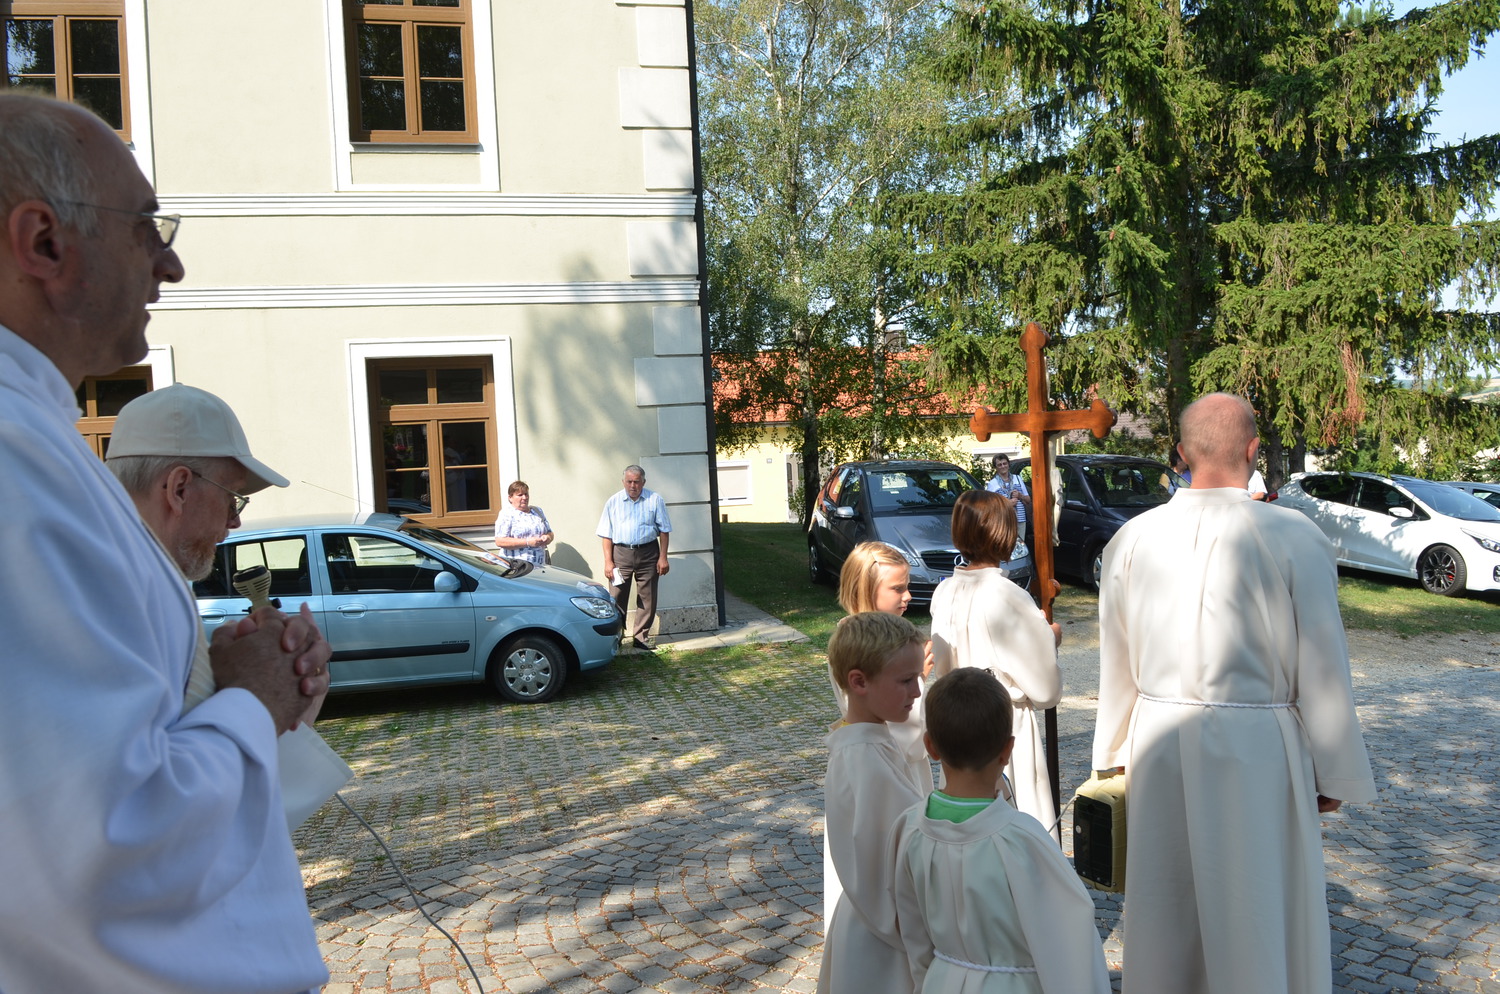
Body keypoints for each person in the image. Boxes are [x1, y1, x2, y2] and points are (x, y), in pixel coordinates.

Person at [0, 93, 330, 994]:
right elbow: (102, 843)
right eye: (147, 227)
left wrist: (258, 695)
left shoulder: (42, 443)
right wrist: (253, 700)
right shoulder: (17, 462)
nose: (171, 263)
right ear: (44, 243)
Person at [1093, 392, 1376, 994]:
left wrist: (1114, 750)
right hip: (1260, 751)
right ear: (1253, 451)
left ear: (1180, 453)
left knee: (1167, 904)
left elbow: (1115, 659)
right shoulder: (1294, 536)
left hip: (1159, 746)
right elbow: (1323, 662)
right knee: (1256, 903)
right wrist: (1332, 769)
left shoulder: (1133, 538)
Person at [893, 668, 1110, 994]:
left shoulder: (910, 827)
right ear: (1007, 751)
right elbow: (1071, 937)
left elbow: (910, 929)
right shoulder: (1022, 838)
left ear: (931, 747)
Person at [929, 489, 1063, 837]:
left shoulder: (944, 592)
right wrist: (1050, 640)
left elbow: (943, 667)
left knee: (963, 832)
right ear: (1005, 534)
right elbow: (1045, 690)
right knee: (1016, 830)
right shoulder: (1008, 596)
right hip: (1003, 727)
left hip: (957, 726)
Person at [818, 612, 928, 994]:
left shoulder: (870, 740)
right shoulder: (864, 760)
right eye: (906, 680)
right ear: (859, 682)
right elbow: (895, 860)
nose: (917, 692)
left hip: (868, 925)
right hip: (884, 941)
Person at [597, 464, 672, 650]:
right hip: (621, 554)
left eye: (637, 482)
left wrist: (663, 557)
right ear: (623, 481)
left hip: (648, 553)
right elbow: (606, 535)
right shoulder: (613, 502)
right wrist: (608, 562)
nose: (633, 485)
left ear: (643, 482)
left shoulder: (655, 500)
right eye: (629, 481)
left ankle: (641, 637)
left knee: (648, 596)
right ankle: (616, 636)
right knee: (616, 596)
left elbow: (664, 531)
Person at [494, 479, 554, 565]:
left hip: (540, 566)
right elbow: (500, 541)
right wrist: (527, 542)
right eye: (520, 495)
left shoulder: (537, 511)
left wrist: (547, 537)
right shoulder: (507, 514)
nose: (524, 498)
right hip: (517, 567)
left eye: (526, 494)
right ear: (510, 498)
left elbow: (550, 532)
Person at [985, 453, 1031, 535]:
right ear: (996, 467)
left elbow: (1028, 500)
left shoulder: (1018, 479)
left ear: (1008, 464)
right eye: (999, 465)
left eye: (1004, 463)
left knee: (1020, 542)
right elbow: (990, 506)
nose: (1003, 466)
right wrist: (1007, 503)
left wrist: (1020, 496)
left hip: (1020, 520)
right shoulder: (992, 484)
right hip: (1003, 521)